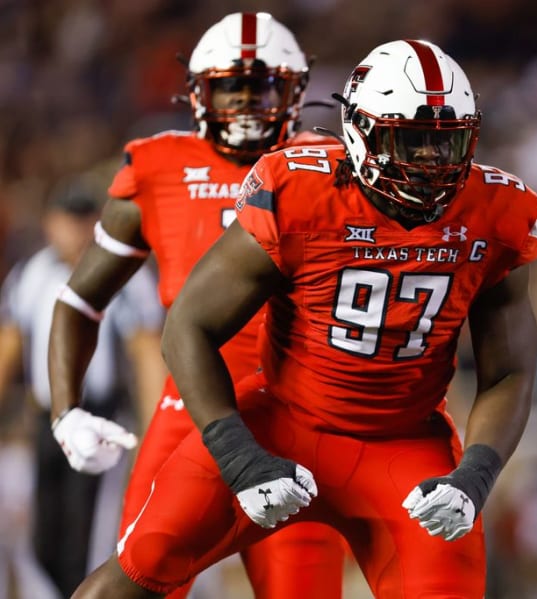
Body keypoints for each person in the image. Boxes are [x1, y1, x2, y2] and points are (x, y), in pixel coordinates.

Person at [68, 38, 537, 598]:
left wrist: (476, 474)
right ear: (361, 131)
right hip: (279, 425)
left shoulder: (500, 212)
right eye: (410, 141)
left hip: (405, 447)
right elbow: (189, 326)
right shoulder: (298, 191)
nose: (429, 163)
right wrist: (238, 455)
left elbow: (509, 370)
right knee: (136, 575)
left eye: (447, 144)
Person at [47, 11, 345, 599]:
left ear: (294, 90)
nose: (245, 103)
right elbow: (81, 300)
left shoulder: (335, 168)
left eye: (262, 87)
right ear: (197, 93)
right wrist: (66, 410)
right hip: (187, 410)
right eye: (230, 86)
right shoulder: (157, 167)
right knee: (131, 588)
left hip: (297, 418)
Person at [0, 180, 165, 598]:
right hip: (45, 420)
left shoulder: (123, 275)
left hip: (101, 418)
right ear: (49, 223)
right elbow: (11, 342)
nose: (73, 231)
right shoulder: (31, 272)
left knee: (91, 535)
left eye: (82, 220)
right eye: (66, 220)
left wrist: (156, 433)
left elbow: (145, 351)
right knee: (43, 534)